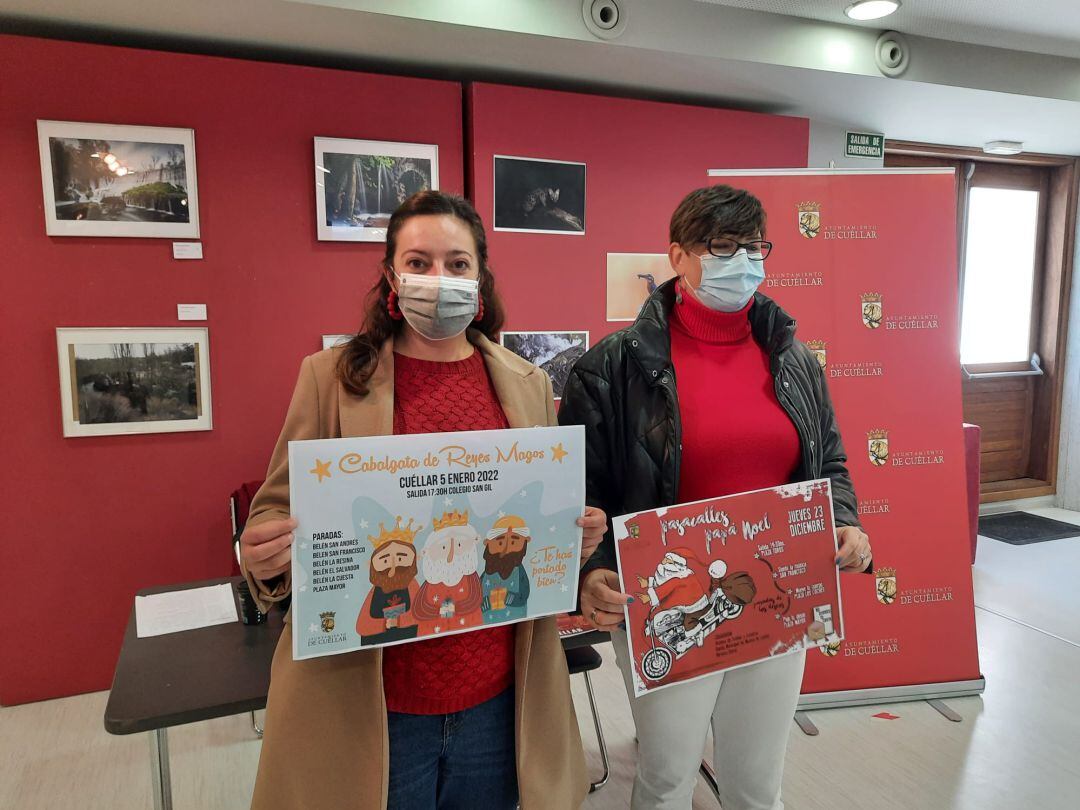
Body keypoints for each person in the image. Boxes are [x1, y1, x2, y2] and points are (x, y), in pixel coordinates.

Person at [239, 190, 607, 810]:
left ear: (481, 277)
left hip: (498, 694)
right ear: (390, 275)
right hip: (374, 699)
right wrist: (265, 549)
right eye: (419, 262)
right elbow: (276, 509)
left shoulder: (529, 383)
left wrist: (575, 539)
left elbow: (536, 527)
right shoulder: (330, 377)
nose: (439, 280)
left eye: (458, 265)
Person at [559, 185, 873, 810]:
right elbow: (582, 494)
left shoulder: (794, 360)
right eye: (723, 246)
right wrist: (590, 572)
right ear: (678, 255)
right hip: (668, 599)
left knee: (757, 781)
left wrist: (843, 521)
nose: (744, 261)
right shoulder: (611, 368)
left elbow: (828, 461)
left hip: (777, 593)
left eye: (755, 246)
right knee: (668, 777)